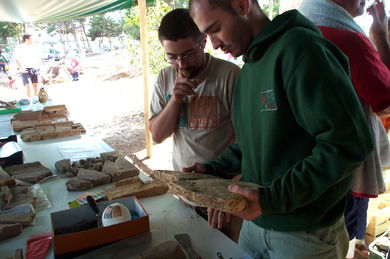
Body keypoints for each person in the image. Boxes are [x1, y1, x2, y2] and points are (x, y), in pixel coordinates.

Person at [186, 0, 373, 257]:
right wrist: (212, 169)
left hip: (304, 234)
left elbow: (348, 144)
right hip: (255, 225)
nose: (214, 43)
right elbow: (255, 143)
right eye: (206, 35)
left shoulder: (301, 50)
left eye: (215, 28)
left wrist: (271, 198)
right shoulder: (250, 67)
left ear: (242, 5)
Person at [298, 0, 390, 257]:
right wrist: (380, 34)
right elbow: (385, 99)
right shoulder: (347, 38)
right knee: (339, 240)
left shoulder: (299, 26)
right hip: (344, 169)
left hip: (305, 167)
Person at [149, 8, 241, 241]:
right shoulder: (164, 78)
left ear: (203, 42)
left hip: (225, 199)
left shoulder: (230, 76)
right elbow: (157, 135)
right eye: (172, 56)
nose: (181, 64)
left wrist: (225, 191)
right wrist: (175, 100)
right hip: (185, 196)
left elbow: (247, 143)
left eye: (188, 54)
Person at [13, 34, 43, 99]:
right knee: (27, 86)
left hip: (34, 68)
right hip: (25, 69)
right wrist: (21, 69)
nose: (32, 40)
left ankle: (35, 100)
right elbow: (16, 59)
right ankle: (29, 101)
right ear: (27, 39)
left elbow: (39, 58)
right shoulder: (19, 47)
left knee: (35, 86)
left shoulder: (34, 47)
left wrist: (40, 68)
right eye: (31, 39)